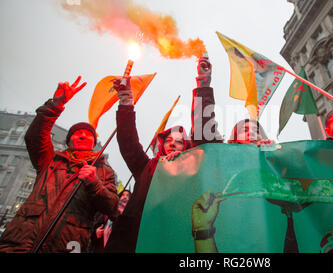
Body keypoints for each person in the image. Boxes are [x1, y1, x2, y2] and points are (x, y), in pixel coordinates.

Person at [0, 76, 119, 253]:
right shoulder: (51, 159)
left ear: (93, 142)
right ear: (69, 140)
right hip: (19, 243)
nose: (81, 135)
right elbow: (34, 136)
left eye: (87, 134)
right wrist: (56, 103)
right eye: (76, 133)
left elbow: (111, 207)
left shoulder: (103, 171)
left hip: (65, 246)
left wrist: (94, 183)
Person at [102, 77, 193, 253]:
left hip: (167, 241)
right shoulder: (147, 167)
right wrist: (126, 102)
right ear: (162, 145)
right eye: (169, 140)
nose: (173, 144)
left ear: (187, 148)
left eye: (179, 142)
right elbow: (128, 141)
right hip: (130, 240)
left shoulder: (192, 175)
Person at [191, 55, 274, 146]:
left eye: (257, 131)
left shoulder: (273, 155)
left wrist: (272, 151)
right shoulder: (224, 154)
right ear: (234, 138)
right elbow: (204, 132)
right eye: (244, 130)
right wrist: (204, 82)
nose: (251, 133)